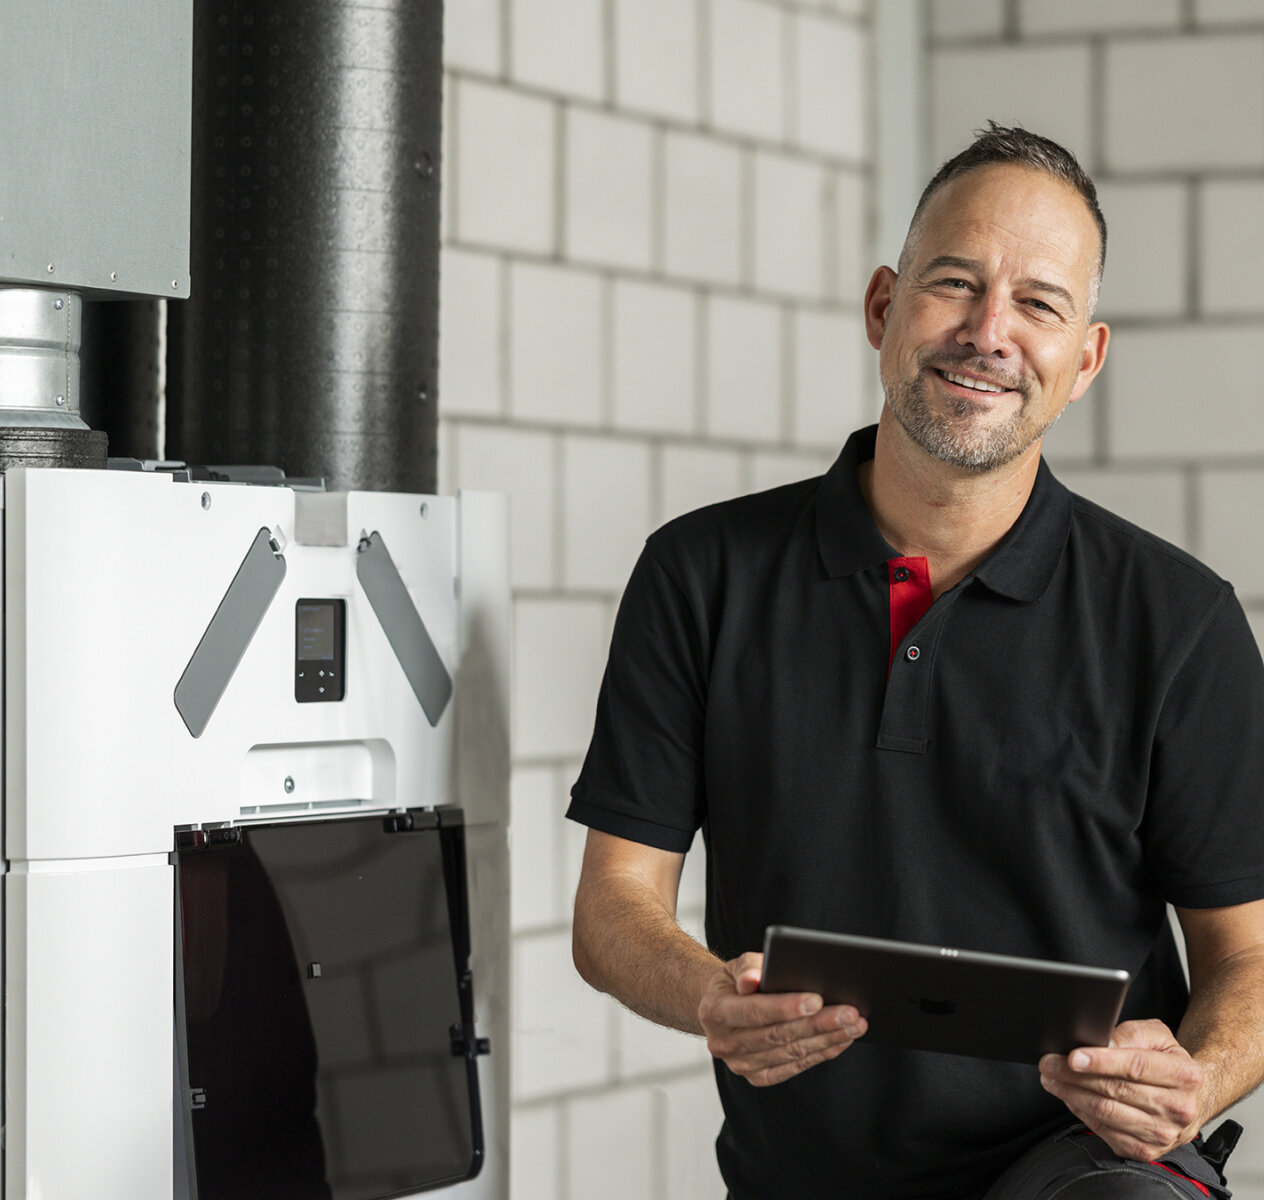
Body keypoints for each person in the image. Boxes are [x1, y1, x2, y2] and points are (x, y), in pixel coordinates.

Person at [566, 122, 1264, 1199]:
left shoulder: (1175, 621)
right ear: (883, 308)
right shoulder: (700, 574)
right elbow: (614, 905)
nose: (988, 332)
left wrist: (1196, 1077)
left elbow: (1249, 958)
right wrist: (707, 991)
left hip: (1085, 1173)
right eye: (955, 284)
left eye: (1038, 302)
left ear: (1082, 360)